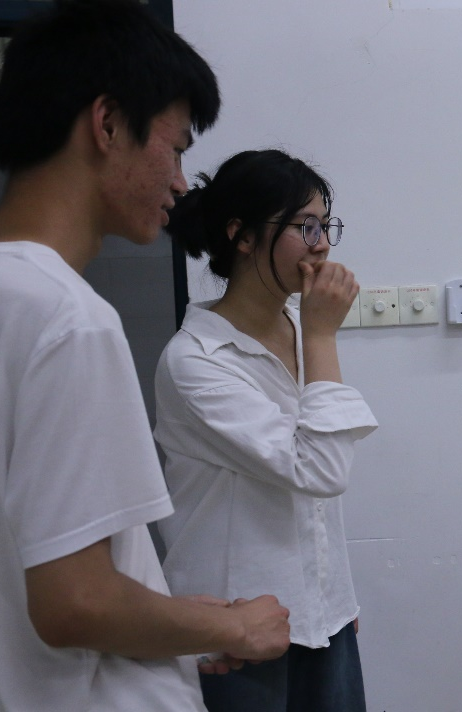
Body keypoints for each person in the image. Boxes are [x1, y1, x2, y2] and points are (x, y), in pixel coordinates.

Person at [0, 1, 292, 710]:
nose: (182, 182)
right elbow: (76, 603)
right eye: (177, 147)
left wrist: (170, 620)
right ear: (107, 125)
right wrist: (232, 626)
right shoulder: (70, 319)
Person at [154, 148, 377, 712]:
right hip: (235, 633)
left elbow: (313, 495)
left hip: (323, 617)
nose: (322, 245)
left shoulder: (300, 326)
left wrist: (334, 594)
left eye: (326, 226)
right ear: (243, 235)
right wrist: (323, 337)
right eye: (305, 227)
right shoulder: (196, 361)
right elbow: (319, 470)